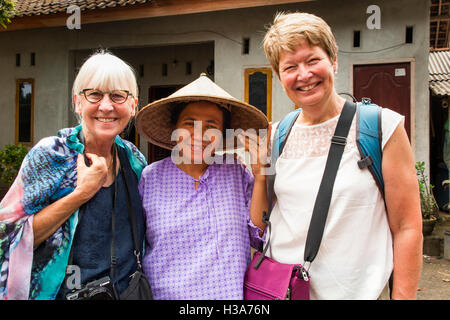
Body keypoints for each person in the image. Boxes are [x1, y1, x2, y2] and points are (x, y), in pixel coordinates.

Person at [254, 12, 423, 299]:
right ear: (279, 76)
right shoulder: (276, 135)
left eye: (312, 60)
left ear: (333, 60)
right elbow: (262, 223)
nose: (304, 75)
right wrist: (259, 173)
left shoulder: (381, 127)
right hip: (284, 291)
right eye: (290, 66)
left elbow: (407, 227)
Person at [0, 51, 147, 300]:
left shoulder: (134, 162)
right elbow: (6, 234)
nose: (106, 106)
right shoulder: (52, 154)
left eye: (117, 96)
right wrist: (81, 194)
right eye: (95, 94)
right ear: (78, 101)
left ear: (133, 106)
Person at [135, 74, 268, 299]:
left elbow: (258, 236)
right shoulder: (150, 178)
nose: (200, 134)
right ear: (175, 129)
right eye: (189, 123)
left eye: (211, 126)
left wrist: (261, 175)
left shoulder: (235, 171)